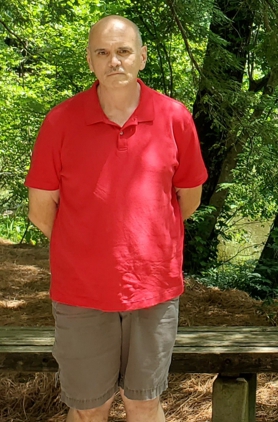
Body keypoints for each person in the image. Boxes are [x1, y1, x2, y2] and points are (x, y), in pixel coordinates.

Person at [25, 15, 207, 422]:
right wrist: (89, 246)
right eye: (103, 53)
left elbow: (187, 200)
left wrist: (143, 244)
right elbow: (41, 211)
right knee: (90, 410)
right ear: (90, 61)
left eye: (124, 52)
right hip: (81, 292)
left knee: (143, 403)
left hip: (155, 289)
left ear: (142, 57)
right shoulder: (60, 122)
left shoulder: (174, 117)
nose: (115, 61)